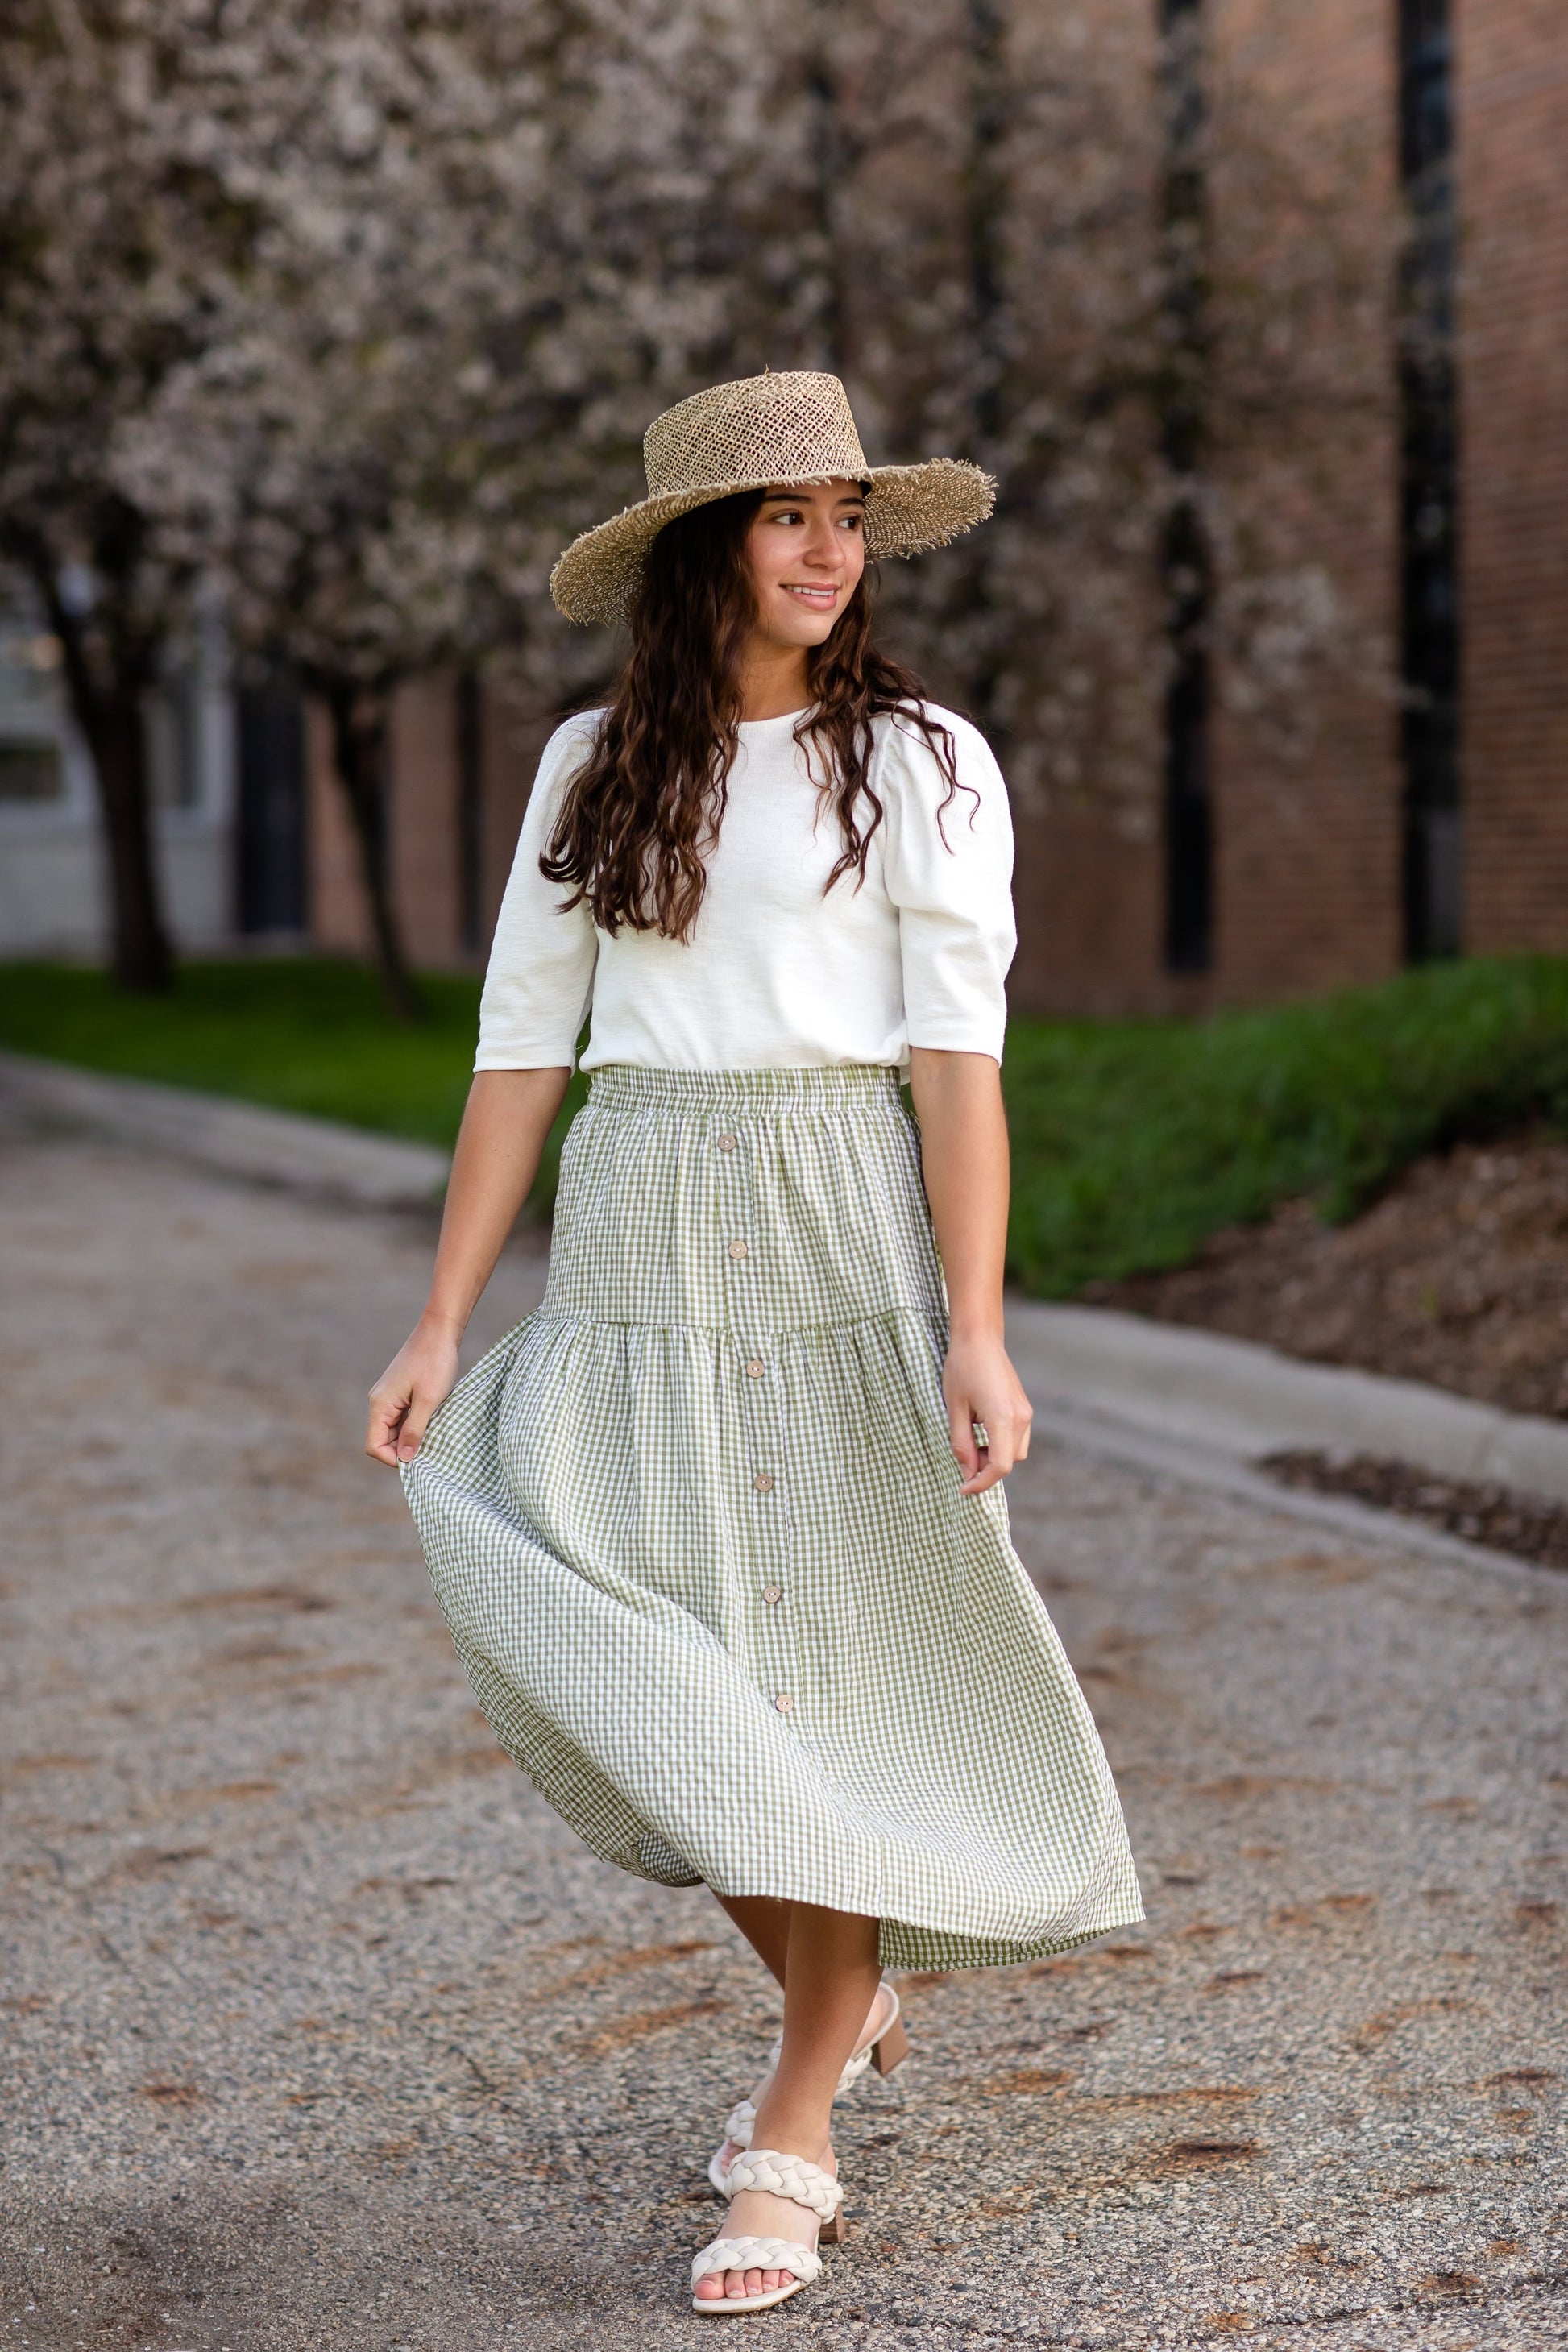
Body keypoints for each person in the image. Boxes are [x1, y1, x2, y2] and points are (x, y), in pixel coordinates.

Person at [366, 369, 1143, 2315]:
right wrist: (445, 1310)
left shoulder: (927, 760)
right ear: (701, 545)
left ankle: (794, 2114)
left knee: (825, 1651)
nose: (826, 551)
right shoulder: (589, 763)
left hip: (830, 1215)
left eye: (847, 514)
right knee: (657, 1658)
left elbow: (957, 1069)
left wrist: (977, 1325)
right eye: (787, 514)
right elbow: (518, 1051)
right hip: (636, 1230)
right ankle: (849, 1980)